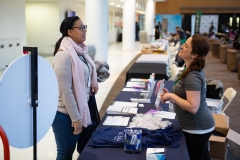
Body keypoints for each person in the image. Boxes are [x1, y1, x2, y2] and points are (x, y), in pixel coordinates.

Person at [160, 34, 215, 160]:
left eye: (186, 46)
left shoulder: (193, 76)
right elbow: (186, 94)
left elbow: (193, 107)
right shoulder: (188, 68)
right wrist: (172, 94)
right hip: (196, 126)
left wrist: (172, 96)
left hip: (197, 129)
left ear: (194, 54)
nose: (181, 47)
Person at [52, 16, 99, 160]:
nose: (85, 31)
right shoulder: (64, 55)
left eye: (85, 27)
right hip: (65, 113)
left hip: (80, 108)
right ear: (69, 32)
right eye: (81, 28)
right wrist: (76, 118)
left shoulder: (81, 52)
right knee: (65, 152)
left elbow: (81, 77)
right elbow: (65, 90)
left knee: (73, 149)